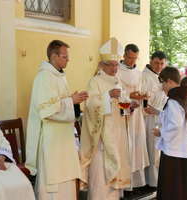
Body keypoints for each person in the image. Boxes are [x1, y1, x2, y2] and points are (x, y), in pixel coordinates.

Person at [25, 40, 89, 199]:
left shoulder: (59, 76)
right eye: (65, 57)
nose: (68, 60)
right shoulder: (45, 77)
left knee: (66, 178)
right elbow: (47, 110)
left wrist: (74, 103)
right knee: (54, 181)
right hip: (51, 139)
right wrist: (71, 101)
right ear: (54, 56)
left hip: (63, 138)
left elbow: (59, 102)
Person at [79, 37, 131, 200]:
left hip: (117, 133)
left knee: (113, 183)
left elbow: (122, 105)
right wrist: (107, 96)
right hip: (102, 138)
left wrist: (131, 106)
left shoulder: (117, 81)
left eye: (117, 65)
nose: (115, 69)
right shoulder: (95, 81)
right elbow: (89, 105)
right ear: (103, 65)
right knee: (101, 178)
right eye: (111, 65)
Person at [144, 67, 187, 200]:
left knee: (173, 187)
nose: (161, 86)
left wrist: (160, 132)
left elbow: (175, 124)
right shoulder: (181, 98)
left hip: (174, 151)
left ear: (169, 81)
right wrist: (157, 112)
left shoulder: (174, 100)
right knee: (180, 188)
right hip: (181, 149)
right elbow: (176, 117)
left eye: (162, 82)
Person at [116, 43, 149, 191]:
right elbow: (114, 92)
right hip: (122, 114)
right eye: (131, 58)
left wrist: (143, 97)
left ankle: (135, 183)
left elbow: (142, 90)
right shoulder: (116, 71)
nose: (133, 62)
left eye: (136, 59)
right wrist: (129, 96)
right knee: (125, 146)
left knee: (136, 147)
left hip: (136, 116)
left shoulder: (139, 74)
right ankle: (124, 184)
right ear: (124, 55)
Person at [142, 51, 167, 188]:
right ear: (151, 62)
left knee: (160, 150)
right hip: (149, 119)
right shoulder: (144, 76)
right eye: (156, 63)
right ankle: (151, 180)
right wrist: (162, 93)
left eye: (162, 64)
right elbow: (145, 99)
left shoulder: (164, 76)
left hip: (162, 116)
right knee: (152, 149)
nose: (159, 66)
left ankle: (159, 179)